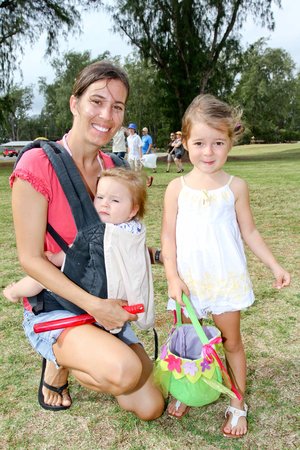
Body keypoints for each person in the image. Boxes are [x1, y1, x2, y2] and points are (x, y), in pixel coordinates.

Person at [8, 60, 165, 419]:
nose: (107, 115)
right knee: (124, 371)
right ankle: (56, 361)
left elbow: (118, 241)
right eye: (97, 101)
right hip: (59, 304)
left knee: (150, 406)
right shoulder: (37, 164)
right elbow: (31, 260)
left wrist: (160, 255)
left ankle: (93, 351)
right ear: (74, 103)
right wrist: (95, 307)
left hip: (103, 302)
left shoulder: (115, 168)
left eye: (117, 106)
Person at [161, 94, 290, 435]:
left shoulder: (236, 187)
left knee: (230, 341)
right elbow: (168, 238)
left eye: (218, 142)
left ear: (230, 142)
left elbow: (249, 231)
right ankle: (189, 388)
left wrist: (275, 266)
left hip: (225, 281)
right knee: (189, 340)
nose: (208, 152)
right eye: (200, 143)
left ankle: (237, 401)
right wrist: (172, 277)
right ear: (184, 143)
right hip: (188, 282)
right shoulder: (176, 188)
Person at [3, 168, 154, 332]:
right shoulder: (134, 230)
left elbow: (73, 252)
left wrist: (53, 259)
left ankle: (14, 292)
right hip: (117, 294)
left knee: (44, 277)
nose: (105, 204)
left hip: (95, 292)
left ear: (133, 210)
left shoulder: (100, 231)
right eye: (100, 197)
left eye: (115, 201)